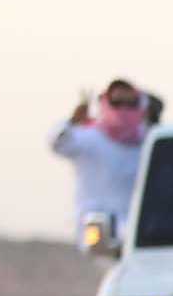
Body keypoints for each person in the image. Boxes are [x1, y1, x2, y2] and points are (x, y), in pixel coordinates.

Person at [50, 80, 155, 242]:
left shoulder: (149, 141)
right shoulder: (89, 137)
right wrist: (73, 120)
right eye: (117, 102)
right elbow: (57, 143)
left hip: (142, 233)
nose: (124, 108)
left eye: (130, 103)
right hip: (97, 235)